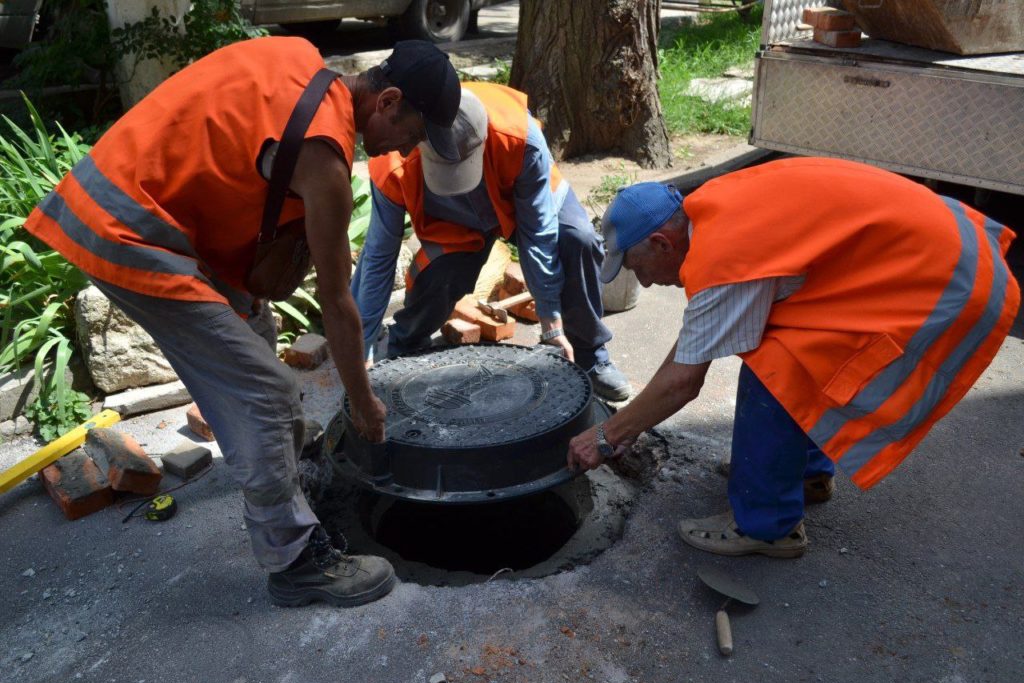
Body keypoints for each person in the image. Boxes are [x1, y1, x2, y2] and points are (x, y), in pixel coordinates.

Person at [23, 36, 462, 606]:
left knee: (257, 329)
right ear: (389, 102)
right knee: (268, 390)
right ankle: (295, 560)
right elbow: (338, 303)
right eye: (417, 133)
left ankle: (293, 473)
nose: (409, 148)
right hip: (127, 226)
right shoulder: (324, 156)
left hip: (153, 204)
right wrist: (362, 401)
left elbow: (225, 148)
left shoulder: (298, 58)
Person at [567, 158, 1019, 558]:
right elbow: (696, 342)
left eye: (636, 268)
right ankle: (803, 475)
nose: (643, 284)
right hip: (949, 247)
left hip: (946, 283)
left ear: (664, 244)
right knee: (789, 344)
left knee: (776, 367)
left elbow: (684, 381)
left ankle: (767, 528)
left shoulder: (727, 255)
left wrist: (606, 436)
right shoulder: (713, 208)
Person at [351, 83, 631, 401]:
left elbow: (538, 231)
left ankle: (590, 356)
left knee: (576, 239)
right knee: (438, 272)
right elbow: (378, 258)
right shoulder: (394, 163)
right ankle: (404, 352)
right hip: (453, 222)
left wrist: (551, 322)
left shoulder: (519, 135)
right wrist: (359, 352)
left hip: (518, 197)